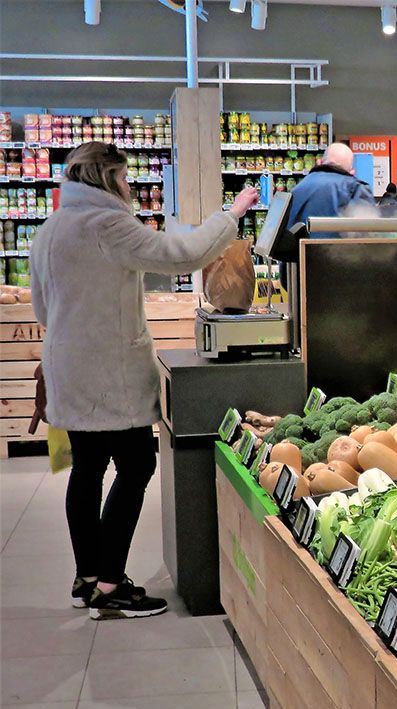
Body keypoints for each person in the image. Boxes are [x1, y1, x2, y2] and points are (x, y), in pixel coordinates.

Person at [29, 141, 259, 620]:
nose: (129, 186)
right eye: (124, 177)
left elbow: (40, 305)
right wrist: (232, 212)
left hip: (69, 367)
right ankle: (111, 585)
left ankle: (87, 576)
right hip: (107, 374)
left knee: (87, 468)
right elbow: (181, 255)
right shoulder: (107, 224)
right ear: (108, 177)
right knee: (135, 465)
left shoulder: (52, 227)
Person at [285, 142, 375, 237]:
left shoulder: (298, 187)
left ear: (319, 162)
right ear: (352, 171)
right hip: (336, 251)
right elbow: (367, 233)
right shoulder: (355, 187)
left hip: (299, 250)